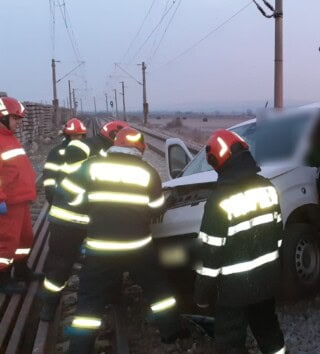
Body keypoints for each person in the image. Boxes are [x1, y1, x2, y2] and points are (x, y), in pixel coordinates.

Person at [64, 127, 182, 353]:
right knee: (158, 290)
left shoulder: (92, 166)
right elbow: (155, 209)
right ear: (140, 149)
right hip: (137, 247)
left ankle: (79, 348)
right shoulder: (148, 172)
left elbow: (69, 194)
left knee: (89, 303)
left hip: (101, 249)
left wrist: (92, 206)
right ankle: (171, 333)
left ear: (115, 144)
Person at [194, 129, 286, 354]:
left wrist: (202, 295)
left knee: (230, 342)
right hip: (266, 281)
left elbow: (211, 256)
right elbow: (278, 234)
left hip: (233, 291)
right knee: (269, 331)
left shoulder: (219, 200)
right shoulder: (268, 187)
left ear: (217, 161)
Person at [41, 120, 128, 321]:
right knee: (105, 258)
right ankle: (112, 297)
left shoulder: (95, 149)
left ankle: (48, 306)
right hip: (81, 217)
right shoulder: (91, 148)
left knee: (59, 263)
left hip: (67, 216)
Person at [0, 97, 37, 294]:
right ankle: (3, 280)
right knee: (5, 243)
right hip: (7, 203)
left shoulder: (8, 136)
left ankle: (22, 271)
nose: (18, 123)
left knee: (25, 239)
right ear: (3, 117)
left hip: (20, 200)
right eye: (15, 118)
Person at [42, 118, 87, 204]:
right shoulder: (55, 152)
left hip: (83, 198)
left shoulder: (87, 151)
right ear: (67, 136)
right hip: (62, 197)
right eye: (73, 136)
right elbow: (49, 178)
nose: (76, 139)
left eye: (79, 135)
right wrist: (52, 197)